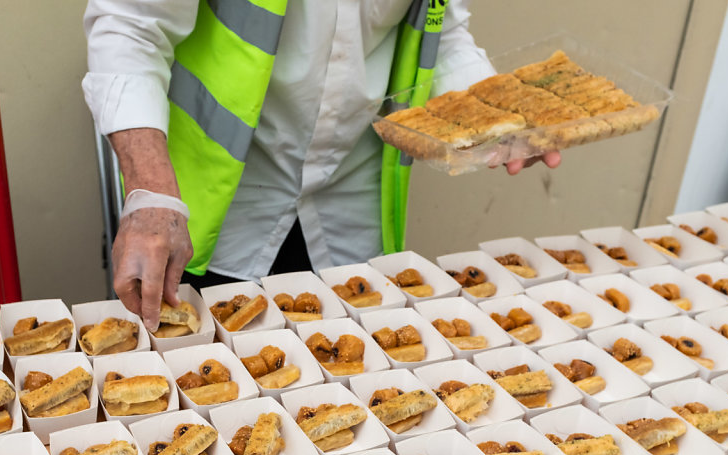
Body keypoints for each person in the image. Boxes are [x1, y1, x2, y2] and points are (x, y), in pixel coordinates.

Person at [82, 0, 560, 330]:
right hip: (216, 203)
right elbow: (130, 27)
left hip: (348, 203)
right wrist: (149, 192)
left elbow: (442, 28)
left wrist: (494, 114)